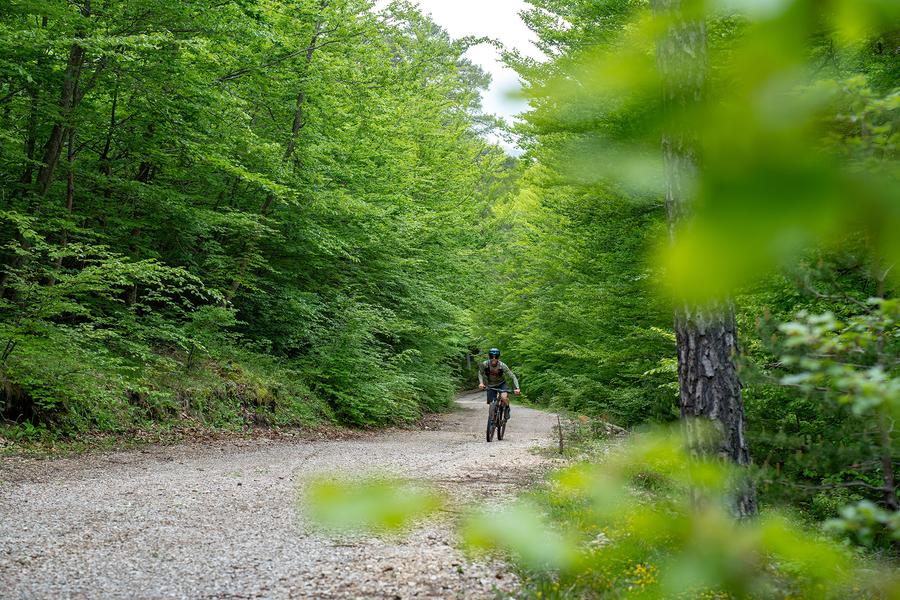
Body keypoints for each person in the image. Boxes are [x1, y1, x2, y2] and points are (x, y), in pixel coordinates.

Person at [478, 348, 521, 420]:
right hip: (490, 385)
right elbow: (480, 373)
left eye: (496, 357)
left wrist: (517, 388)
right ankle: (492, 419)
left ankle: (507, 408)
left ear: (498, 357)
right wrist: (481, 383)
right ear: (489, 356)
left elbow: (512, 376)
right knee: (491, 403)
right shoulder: (485, 364)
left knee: (504, 397)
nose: (494, 358)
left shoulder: (502, 365)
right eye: (491, 356)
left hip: (502, 384)